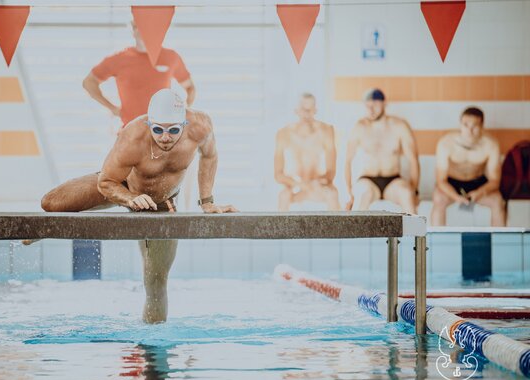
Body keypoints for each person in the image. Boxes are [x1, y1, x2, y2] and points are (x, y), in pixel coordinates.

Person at [41, 89, 237, 323]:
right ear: (149, 123)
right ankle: (38, 233)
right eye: (158, 129)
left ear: (184, 123)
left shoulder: (200, 126)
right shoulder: (132, 136)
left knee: (155, 282)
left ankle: (153, 350)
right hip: (121, 184)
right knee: (51, 204)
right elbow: (106, 182)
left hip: (163, 205)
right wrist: (127, 198)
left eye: (173, 130)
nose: (165, 137)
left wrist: (207, 202)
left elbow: (210, 156)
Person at [82, 21, 195, 126]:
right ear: (132, 28)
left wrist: (184, 109)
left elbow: (189, 87)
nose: (141, 30)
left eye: (145, 26)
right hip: (130, 132)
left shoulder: (171, 57)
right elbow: (89, 82)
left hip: (162, 133)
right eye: (137, 26)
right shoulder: (119, 59)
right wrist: (112, 108)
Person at [345, 88, 420, 214]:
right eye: (367, 106)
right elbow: (347, 161)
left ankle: (417, 234)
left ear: (384, 103)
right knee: (362, 195)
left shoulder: (399, 126)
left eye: (374, 105)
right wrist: (349, 193)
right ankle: (356, 234)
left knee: (406, 194)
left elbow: (413, 160)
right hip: (367, 179)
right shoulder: (359, 127)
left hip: (393, 180)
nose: (371, 110)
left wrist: (415, 190)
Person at [431, 107, 506, 226]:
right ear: (460, 125)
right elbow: (441, 180)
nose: (469, 131)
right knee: (438, 199)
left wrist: (479, 193)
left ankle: (499, 243)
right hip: (452, 183)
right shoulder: (446, 143)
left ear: (482, 127)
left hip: (478, 183)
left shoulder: (491, 145)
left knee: (498, 201)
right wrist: (456, 197)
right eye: (466, 125)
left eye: (474, 126)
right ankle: (435, 243)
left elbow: (495, 181)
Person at [274, 93, 340, 211]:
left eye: (310, 110)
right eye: (303, 109)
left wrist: (319, 182)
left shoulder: (326, 131)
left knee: (332, 194)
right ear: (296, 110)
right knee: (283, 195)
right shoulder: (284, 133)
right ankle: (281, 230)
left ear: (315, 110)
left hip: (318, 185)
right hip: (296, 186)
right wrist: (298, 184)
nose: (306, 113)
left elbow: (331, 171)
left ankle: (337, 230)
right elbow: (278, 174)